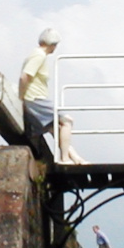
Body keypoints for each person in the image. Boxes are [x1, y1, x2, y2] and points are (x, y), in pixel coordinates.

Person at [19, 28, 86, 164]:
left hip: (36, 99)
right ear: (52, 44)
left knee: (56, 129)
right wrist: (21, 97)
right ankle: (65, 158)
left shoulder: (36, 54)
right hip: (36, 99)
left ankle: (76, 159)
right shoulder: (39, 55)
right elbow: (24, 77)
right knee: (67, 120)